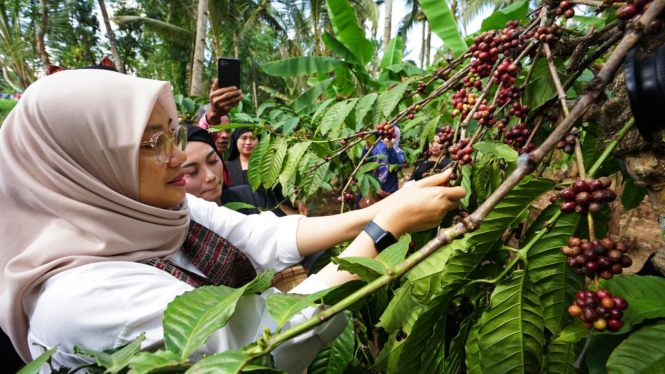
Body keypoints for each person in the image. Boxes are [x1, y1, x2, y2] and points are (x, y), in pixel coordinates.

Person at [0, 68, 465, 373]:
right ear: (84, 165)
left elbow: (257, 233)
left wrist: (384, 207)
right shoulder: (81, 298)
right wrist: (386, 230)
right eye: (154, 143)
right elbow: (266, 343)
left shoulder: (155, 212)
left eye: (173, 133)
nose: (179, 156)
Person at [226, 127, 310, 216]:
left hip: (268, 215)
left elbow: (280, 190)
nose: (248, 142)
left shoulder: (268, 165)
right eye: (243, 138)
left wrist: (297, 202)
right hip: (237, 217)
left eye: (253, 138)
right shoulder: (226, 168)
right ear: (236, 140)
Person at [357, 128, 404, 208]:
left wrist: (390, 149)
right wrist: (368, 145)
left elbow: (396, 167)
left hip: (388, 190)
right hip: (370, 188)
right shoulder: (374, 149)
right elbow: (364, 164)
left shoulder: (398, 152)